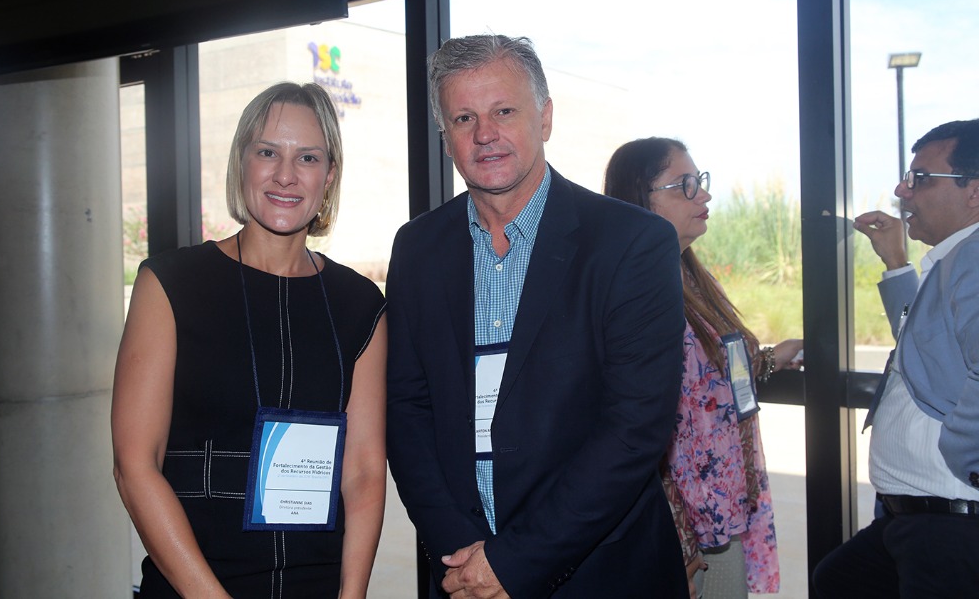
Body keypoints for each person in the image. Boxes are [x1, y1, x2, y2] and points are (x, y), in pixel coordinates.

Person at [385, 34, 688, 599]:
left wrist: (513, 562)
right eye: (464, 118)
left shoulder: (632, 243)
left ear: (545, 118)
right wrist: (461, 553)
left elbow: (634, 428)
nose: (485, 134)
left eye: (504, 111)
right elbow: (406, 410)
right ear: (445, 137)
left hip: (601, 575)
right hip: (462, 573)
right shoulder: (417, 249)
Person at [111, 82, 387, 598]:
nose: (286, 174)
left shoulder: (360, 304)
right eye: (267, 152)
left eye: (308, 157)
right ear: (242, 161)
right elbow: (135, 466)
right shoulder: (171, 285)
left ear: (329, 176)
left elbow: (364, 472)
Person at [604, 137, 801, 599]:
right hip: (681, 521)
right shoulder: (629, 288)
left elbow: (706, 372)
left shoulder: (692, 276)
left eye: (700, 181)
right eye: (685, 185)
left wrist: (770, 358)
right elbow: (633, 418)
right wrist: (675, 530)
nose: (704, 195)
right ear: (640, 198)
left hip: (722, 504)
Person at [812, 119, 979, 598]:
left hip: (949, 522)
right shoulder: (955, 256)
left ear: (974, 192)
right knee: (837, 579)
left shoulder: (972, 257)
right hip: (916, 517)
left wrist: (965, 459)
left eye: (921, 178)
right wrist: (895, 263)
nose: (902, 190)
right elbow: (925, 346)